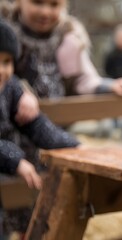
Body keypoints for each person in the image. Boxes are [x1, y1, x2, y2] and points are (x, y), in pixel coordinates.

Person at [0, 21, 80, 236]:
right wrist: (14, 159)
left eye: (7, 62)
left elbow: (35, 125)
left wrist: (71, 145)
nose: (2, 70)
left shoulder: (10, 88)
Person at [4, 0, 122, 99]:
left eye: (54, 5)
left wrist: (108, 87)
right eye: (37, 2)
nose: (45, 12)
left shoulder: (69, 38)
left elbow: (84, 79)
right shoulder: (5, 35)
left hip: (59, 121)